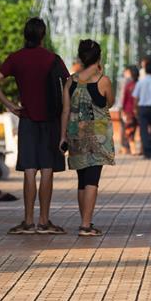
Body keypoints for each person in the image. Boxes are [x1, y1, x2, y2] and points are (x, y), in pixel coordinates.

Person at [0, 17, 69, 235]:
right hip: (51, 120)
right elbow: (68, 85)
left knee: (29, 171)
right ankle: (44, 221)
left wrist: (10, 105)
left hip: (27, 119)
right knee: (47, 170)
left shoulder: (16, 58)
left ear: (26, 35)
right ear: (43, 35)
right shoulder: (53, 59)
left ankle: (27, 221)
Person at [59, 40, 115, 236]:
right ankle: (85, 225)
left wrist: (62, 136)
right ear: (98, 57)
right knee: (92, 179)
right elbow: (110, 102)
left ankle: (85, 221)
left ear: (80, 57)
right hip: (97, 134)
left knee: (82, 179)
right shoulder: (103, 80)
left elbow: (65, 110)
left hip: (75, 132)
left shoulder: (70, 81)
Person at [133, 61, 151, 159]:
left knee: (143, 130)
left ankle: (147, 152)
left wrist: (135, 109)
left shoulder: (140, 82)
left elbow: (136, 97)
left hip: (143, 108)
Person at [120, 65, 140, 154]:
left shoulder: (129, 85)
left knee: (129, 129)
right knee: (136, 128)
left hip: (129, 110)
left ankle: (132, 149)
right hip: (139, 109)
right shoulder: (139, 84)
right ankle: (134, 149)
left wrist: (123, 109)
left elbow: (125, 99)